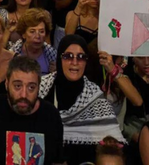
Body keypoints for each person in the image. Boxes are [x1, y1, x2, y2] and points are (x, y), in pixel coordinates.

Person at [0, 56, 65, 165]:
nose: (24, 94)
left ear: (39, 87)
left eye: (31, 87)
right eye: (17, 86)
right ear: (6, 84)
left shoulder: (51, 116)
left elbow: (58, 162)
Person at [41, 35, 125, 163]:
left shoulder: (95, 98)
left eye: (81, 57)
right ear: (59, 59)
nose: (75, 62)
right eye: (68, 56)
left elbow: (113, 148)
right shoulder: (40, 89)